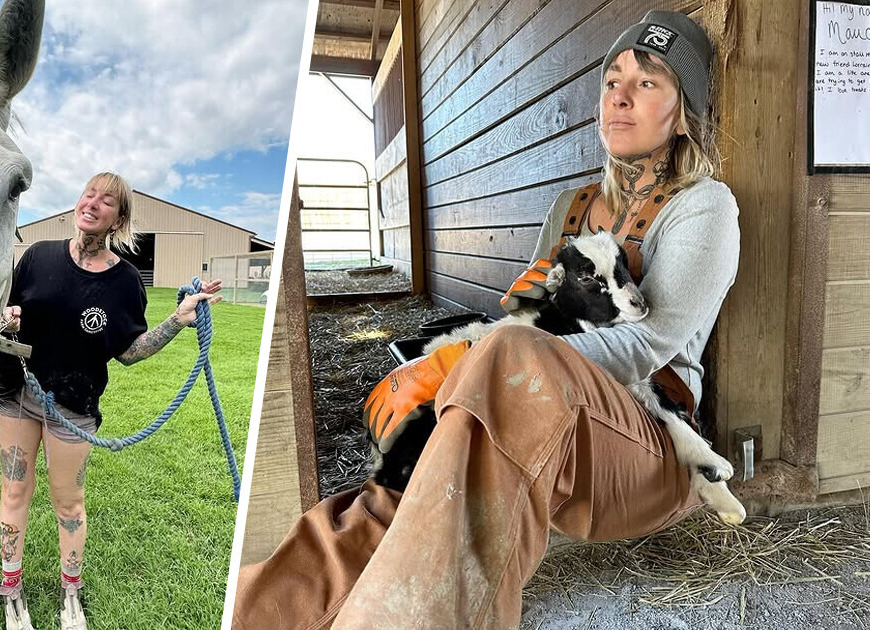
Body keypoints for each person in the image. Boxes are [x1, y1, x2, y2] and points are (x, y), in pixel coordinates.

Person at [234, 10, 738, 629]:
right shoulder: (571, 207)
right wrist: (445, 371)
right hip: (547, 423)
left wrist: (477, 361)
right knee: (409, 484)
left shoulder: (705, 207)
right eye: (613, 81)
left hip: (653, 452)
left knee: (505, 362)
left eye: (649, 82)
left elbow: (648, 346)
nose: (621, 97)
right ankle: (260, 612)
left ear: (684, 112)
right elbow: (526, 315)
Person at [0, 172, 222, 630]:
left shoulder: (125, 281)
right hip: (18, 396)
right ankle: (11, 589)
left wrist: (177, 320)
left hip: (73, 408)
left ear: (119, 219)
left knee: (68, 503)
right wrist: (8, 321)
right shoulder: (37, 257)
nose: (94, 204)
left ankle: (70, 593)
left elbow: (130, 351)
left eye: (108, 201)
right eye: (89, 194)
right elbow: (4, 319)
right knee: (14, 490)